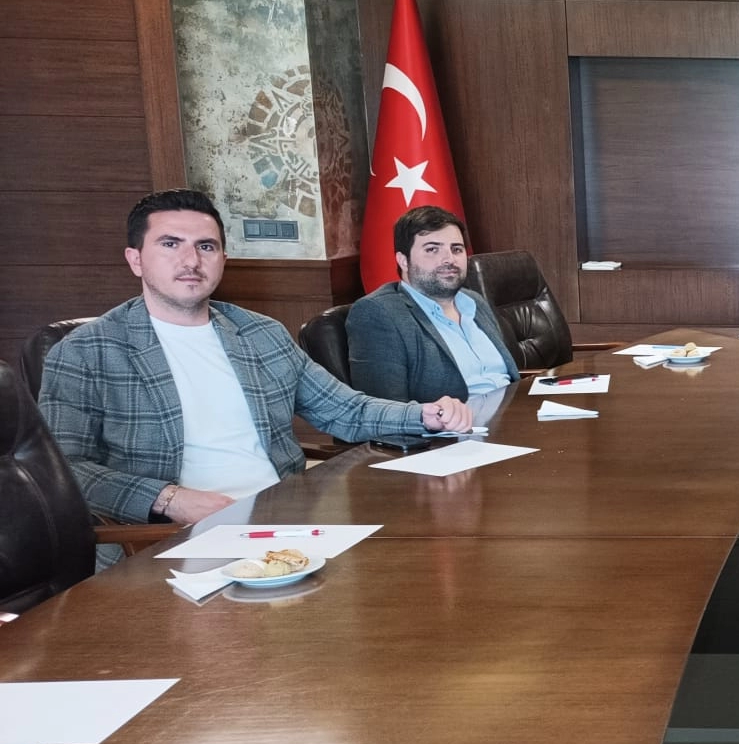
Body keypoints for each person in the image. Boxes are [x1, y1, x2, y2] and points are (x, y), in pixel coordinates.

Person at [39, 190, 472, 557]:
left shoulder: (260, 333)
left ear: (223, 258)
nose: (191, 260)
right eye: (170, 244)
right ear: (135, 259)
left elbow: (345, 410)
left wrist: (423, 415)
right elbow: (63, 471)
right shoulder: (86, 351)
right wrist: (169, 500)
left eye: (206, 247)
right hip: (169, 539)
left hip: (287, 519)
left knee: (427, 557)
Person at [345, 206, 519, 403]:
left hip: (517, 411)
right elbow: (384, 410)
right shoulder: (378, 313)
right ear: (403, 260)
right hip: (459, 422)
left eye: (456, 249)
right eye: (432, 249)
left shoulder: (474, 301)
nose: (449, 259)